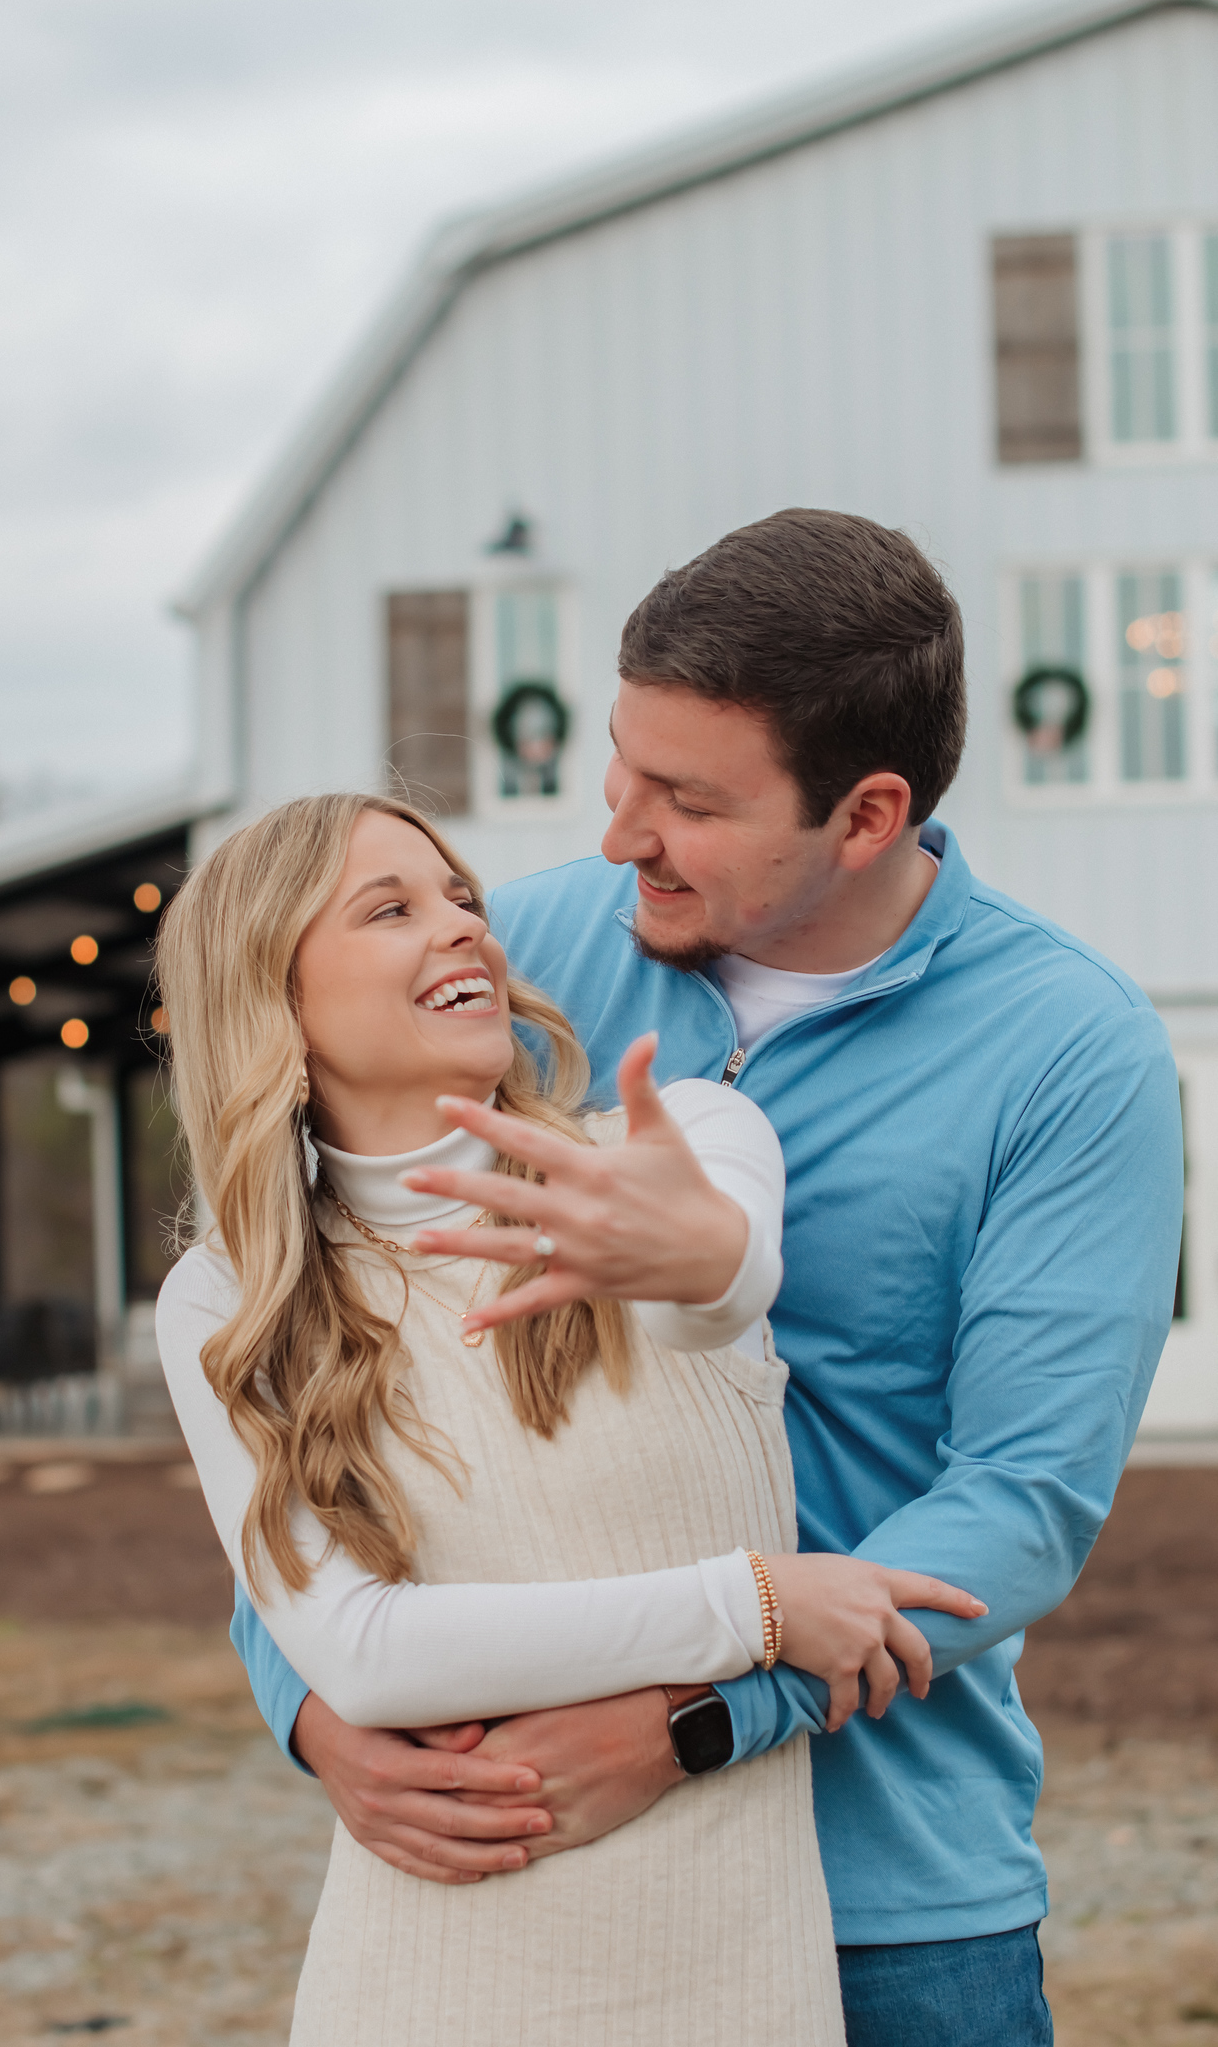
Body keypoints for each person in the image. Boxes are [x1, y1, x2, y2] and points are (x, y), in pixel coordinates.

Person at [229, 509, 1184, 2046]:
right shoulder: (517, 963)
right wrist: (312, 1699)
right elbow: (297, 1322)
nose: (619, 833)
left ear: (866, 815)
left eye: (684, 799)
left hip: (888, 1901)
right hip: (546, 1881)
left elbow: (1020, 1500)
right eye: (620, 765)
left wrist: (696, 1720)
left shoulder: (1072, 1057)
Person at [154, 790, 981, 2044]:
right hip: (424, 1981)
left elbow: (725, 1285)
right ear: (274, 994)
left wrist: (694, 1249)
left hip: (734, 1979)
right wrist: (756, 1604)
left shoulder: (686, 1135)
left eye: (464, 900)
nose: (464, 929)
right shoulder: (225, 1295)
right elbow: (362, 1649)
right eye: (392, 908)